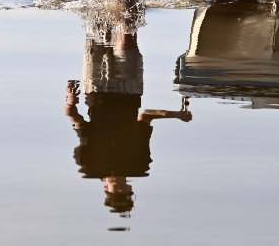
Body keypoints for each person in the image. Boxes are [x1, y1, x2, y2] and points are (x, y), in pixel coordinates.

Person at [64, 21, 192, 216]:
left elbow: (75, 119)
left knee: (97, 33)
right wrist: (176, 114)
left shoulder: (89, 167)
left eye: (119, 195)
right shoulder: (139, 165)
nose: (124, 190)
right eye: (127, 194)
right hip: (130, 91)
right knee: (126, 35)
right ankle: (122, 7)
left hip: (96, 91)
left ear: (106, 190)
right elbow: (145, 116)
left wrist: (71, 100)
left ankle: (100, 4)